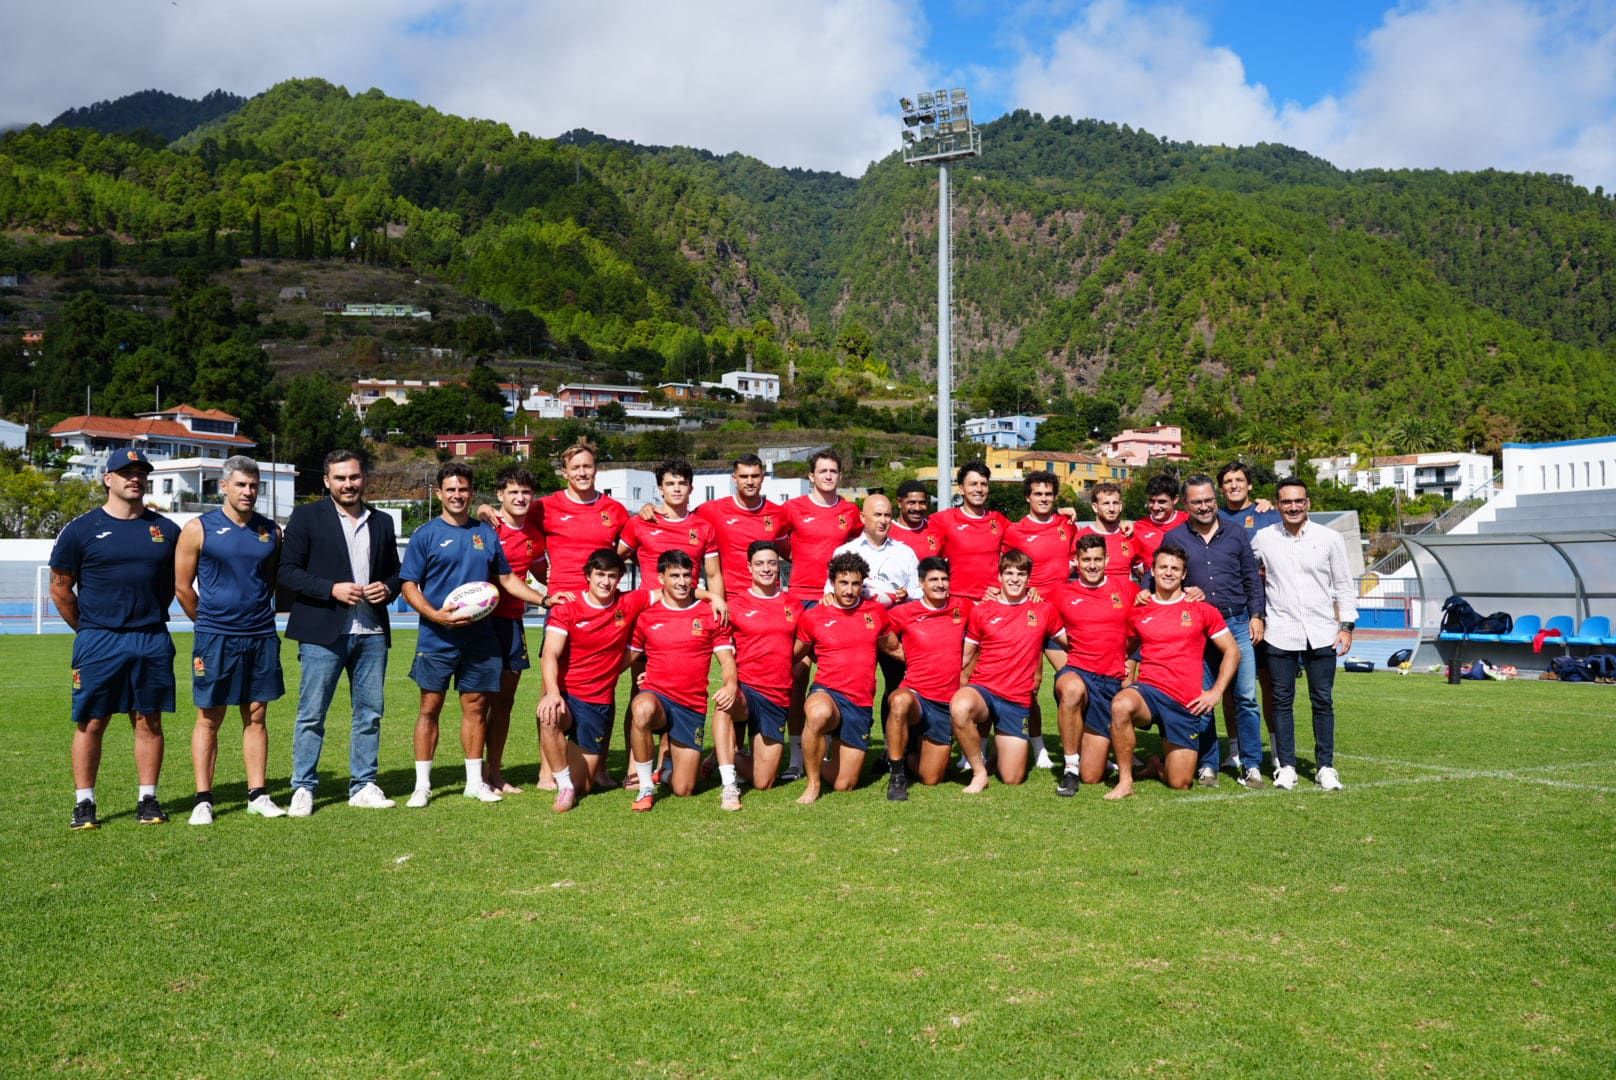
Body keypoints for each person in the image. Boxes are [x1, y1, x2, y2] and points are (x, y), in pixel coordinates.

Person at [399, 463, 547, 808]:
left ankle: (473, 782)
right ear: (439, 494)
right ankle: (422, 785)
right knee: (429, 707)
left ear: (470, 492)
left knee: (477, 708)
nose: (457, 495)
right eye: (450, 489)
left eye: (463, 489)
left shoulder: (486, 534)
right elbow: (408, 584)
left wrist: (543, 597)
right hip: (437, 636)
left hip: (481, 638)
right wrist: (435, 615)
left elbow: (506, 580)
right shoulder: (425, 534)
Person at [51, 447, 180, 829]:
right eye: (125, 472)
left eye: (140, 472)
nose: (134, 478)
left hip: (151, 638)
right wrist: (89, 628)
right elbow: (60, 589)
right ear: (107, 479)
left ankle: (148, 799)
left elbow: (171, 586)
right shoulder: (80, 530)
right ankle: (84, 804)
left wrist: (147, 615)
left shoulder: (166, 531)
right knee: (92, 721)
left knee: (149, 720)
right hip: (99, 641)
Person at [279, 449, 402, 816]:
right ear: (327, 481)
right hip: (322, 631)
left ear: (363, 478)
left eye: (354, 477)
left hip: (371, 631)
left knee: (369, 713)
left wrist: (388, 588)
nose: (348, 484)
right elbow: (287, 572)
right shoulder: (305, 517)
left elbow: (395, 573)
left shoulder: (381, 521)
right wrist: (331, 589)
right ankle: (303, 786)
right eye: (340, 478)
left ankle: (363, 784)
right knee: (312, 714)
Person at [173, 456, 286, 824]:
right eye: (240, 485)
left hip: (260, 635)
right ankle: (203, 799)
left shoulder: (271, 531)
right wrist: (207, 622)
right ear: (224, 486)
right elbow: (182, 586)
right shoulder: (197, 528)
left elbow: (269, 582)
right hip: (215, 637)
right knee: (209, 715)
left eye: (254, 486)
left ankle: (257, 793)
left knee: (256, 714)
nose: (248, 492)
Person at [1106, 544, 1241, 799]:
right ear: (1153, 572)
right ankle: (1125, 782)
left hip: (1184, 700)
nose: (1169, 572)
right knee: (1121, 705)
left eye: (1175, 568)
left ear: (1184, 573)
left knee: (1179, 783)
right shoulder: (1139, 610)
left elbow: (1232, 651)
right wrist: (1125, 679)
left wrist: (1215, 693)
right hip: (1149, 692)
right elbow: (1125, 648)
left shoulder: (1202, 610)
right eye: (1163, 567)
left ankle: (1157, 765)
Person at [1249, 478, 1355, 791]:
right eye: (1286, 502)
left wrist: (1346, 626)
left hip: (1323, 633)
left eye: (1299, 501)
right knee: (1281, 702)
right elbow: (1245, 567)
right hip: (1280, 632)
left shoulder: (1330, 538)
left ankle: (1325, 766)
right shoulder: (1263, 538)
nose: (1293, 507)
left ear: (1308, 503)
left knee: (1322, 701)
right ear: (1277, 505)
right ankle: (1287, 766)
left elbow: (1345, 584)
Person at [1164, 476, 1268, 788]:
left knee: (1246, 698)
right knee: (1202, 699)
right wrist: (1183, 587)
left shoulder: (1236, 533)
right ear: (1186, 505)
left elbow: (1252, 579)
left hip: (1236, 624)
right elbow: (1162, 575)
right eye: (1196, 502)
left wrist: (1257, 616)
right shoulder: (1174, 536)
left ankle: (1251, 765)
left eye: (1208, 500)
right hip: (1196, 630)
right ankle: (1208, 764)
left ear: (1215, 499)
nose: (1204, 506)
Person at [535, 549, 649, 813]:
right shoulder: (568, 608)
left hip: (597, 701)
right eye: (600, 574)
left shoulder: (628, 602)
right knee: (548, 716)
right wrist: (552, 693)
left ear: (620, 577)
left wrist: (711, 595)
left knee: (584, 784)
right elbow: (550, 653)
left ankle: (573, 763)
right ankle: (563, 785)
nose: (605, 582)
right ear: (588, 575)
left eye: (612, 576)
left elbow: (668, 592)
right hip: (567, 694)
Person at [626, 550, 738, 811]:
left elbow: (727, 660)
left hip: (691, 705)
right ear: (661, 578)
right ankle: (645, 787)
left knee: (684, 789)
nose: (681, 581)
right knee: (641, 709)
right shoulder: (647, 615)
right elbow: (628, 657)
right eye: (674, 575)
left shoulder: (710, 614)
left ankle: (665, 770)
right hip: (658, 696)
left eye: (687, 575)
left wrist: (730, 684)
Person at [950, 549, 1066, 793]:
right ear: (1000, 577)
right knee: (960, 706)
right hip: (984, 689)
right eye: (1009, 573)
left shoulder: (1044, 610)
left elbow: (1071, 642)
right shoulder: (982, 610)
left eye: (1021, 574)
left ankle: (997, 756)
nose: (1014, 579)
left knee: (1013, 777)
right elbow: (965, 656)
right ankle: (979, 772)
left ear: (1028, 579)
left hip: (1016, 699)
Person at [781, 450, 862, 780]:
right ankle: (797, 753)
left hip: (838, 604)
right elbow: (773, 540)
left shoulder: (850, 511)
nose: (828, 475)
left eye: (833, 471)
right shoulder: (793, 508)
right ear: (811, 477)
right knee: (797, 676)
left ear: (839, 476)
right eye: (822, 471)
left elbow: (862, 547)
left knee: (837, 677)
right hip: (802, 600)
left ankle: (829, 747)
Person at [793, 552, 890, 804]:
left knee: (844, 785)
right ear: (832, 582)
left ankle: (820, 754)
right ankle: (812, 783)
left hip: (859, 702)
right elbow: (794, 653)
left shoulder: (876, 612)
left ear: (863, 584)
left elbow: (893, 648)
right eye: (843, 583)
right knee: (817, 714)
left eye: (855, 583)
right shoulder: (814, 615)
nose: (849, 590)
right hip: (828, 693)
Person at [1050, 535, 1139, 795]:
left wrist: (1130, 662)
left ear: (1107, 560)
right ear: (1076, 561)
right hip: (1078, 671)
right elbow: (1044, 625)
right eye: (1086, 559)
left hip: (1110, 680)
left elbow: (1143, 630)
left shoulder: (1128, 590)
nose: (1091, 565)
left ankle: (1100, 756)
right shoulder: (1061, 592)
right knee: (1071, 689)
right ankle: (1069, 768)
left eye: (1097, 559)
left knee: (1092, 776)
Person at [1001, 469, 1076, 769]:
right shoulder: (1014, 531)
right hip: (1028, 618)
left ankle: (1076, 740)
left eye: (1048, 494)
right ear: (1027, 497)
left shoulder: (1066, 524)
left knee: (1074, 681)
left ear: (1055, 498)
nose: (1043, 499)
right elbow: (1005, 570)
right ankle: (1038, 748)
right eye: (1038, 494)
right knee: (1030, 684)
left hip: (1061, 618)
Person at [880, 556, 972, 798]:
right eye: (933, 580)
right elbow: (881, 634)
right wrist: (906, 655)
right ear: (921, 583)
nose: (940, 584)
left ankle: (908, 748)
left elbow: (988, 622)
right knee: (898, 701)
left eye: (944, 579)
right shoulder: (904, 612)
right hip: (916, 695)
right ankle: (897, 773)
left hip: (944, 703)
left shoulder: (963, 607)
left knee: (931, 779)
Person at [830, 493, 920, 729]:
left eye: (888, 515)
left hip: (892, 630)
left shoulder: (905, 552)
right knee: (851, 687)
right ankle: (846, 740)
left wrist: (904, 595)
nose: (883, 520)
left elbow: (918, 594)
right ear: (863, 517)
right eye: (877, 515)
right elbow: (828, 594)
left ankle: (894, 749)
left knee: (896, 689)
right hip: (856, 632)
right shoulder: (844, 552)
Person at [484, 466, 547, 795]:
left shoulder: (535, 537)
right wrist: (480, 510)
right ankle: (476, 772)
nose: (520, 498)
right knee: (479, 701)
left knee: (505, 702)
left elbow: (542, 572)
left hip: (511, 622)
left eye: (525, 492)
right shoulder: (486, 526)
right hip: (480, 623)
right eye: (513, 492)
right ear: (499, 496)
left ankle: (494, 771)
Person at [721, 541, 798, 794]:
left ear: (779, 566)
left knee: (763, 782)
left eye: (772, 563)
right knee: (724, 703)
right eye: (760, 563)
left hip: (777, 695)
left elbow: (807, 641)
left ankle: (726, 755)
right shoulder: (735, 605)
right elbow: (709, 645)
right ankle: (728, 782)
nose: (766, 569)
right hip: (747, 689)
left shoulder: (793, 605)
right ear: (749, 567)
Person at [618, 458, 724, 614]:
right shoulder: (640, 522)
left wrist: (718, 606)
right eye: (670, 484)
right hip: (649, 611)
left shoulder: (704, 528)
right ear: (660, 489)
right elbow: (613, 562)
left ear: (690, 488)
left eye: (682, 483)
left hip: (689, 610)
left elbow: (713, 575)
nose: (676, 489)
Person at [538, 440, 630, 603]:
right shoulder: (545, 506)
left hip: (602, 602)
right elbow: (515, 529)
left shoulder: (615, 509)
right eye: (575, 468)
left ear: (596, 469)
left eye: (587, 466)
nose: (582, 473)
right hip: (562, 602)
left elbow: (636, 544)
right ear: (565, 472)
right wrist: (484, 510)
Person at [931, 461, 1010, 602]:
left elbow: (1027, 540)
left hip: (992, 600)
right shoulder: (943, 520)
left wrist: (1061, 515)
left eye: (983, 484)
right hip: (957, 601)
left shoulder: (999, 520)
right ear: (961, 489)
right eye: (973, 484)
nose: (979, 489)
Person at [1075, 481, 1144, 584]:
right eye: (1106, 503)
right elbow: (1065, 570)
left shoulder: (1129, 534)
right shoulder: (1081, 536)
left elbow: (1142, 571)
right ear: (1095, 507)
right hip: (1093, 598)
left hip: (1124, 598)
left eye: (1115, 503)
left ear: (1120, 506)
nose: (1112, 509)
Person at [1131, 474, 1188, 568]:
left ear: (1175, 500)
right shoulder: (1137, 528)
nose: (1155, 507)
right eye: (1152, 501)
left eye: (1162, 502)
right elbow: (1137, 567)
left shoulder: (1188, 521)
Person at [888, 479, 939, 560]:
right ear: (899, 502)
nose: (917, 508)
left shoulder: (934, 529)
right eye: (911, 503)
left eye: (922, 503)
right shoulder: (886, 532)